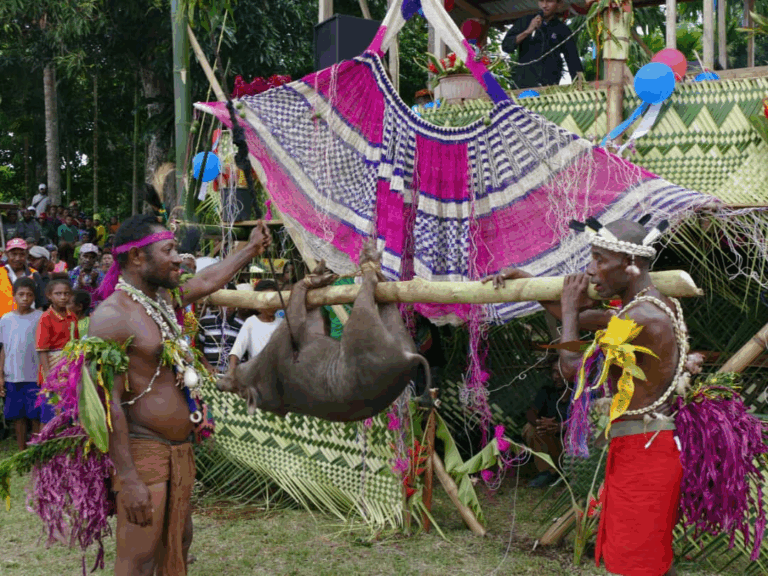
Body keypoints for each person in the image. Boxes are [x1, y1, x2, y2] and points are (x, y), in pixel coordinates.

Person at [485, 217, 683, 576]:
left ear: (629, 264)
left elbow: (571, 368)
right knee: (635, 554)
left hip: (645, 453)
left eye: (599, 259)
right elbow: (578, 317)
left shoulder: (641, 315)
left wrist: (572, 311)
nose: (591, 270)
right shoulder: (644, 305)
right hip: (642, 447)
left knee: (636, 562)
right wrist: (528, 281)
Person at [88, 214, 271, 575]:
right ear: (138, 257)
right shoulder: (112, 316)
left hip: (179, 450)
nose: (178, 258)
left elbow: (206, 278)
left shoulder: (162, 301)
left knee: (178, 541)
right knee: (138, 555)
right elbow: (107, 406)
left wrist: (250, 248)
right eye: (169, 250)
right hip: (144, 453)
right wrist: (128, 478)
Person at [0, 277, 44, 450]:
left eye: (29, 295)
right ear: (14, 296)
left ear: (34, 297)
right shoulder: (5, 319)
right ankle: (21, 450)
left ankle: (35, 449)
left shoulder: (40, 317)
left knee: (35, 415)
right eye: (21, 294)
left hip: (34, 375)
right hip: (13, 375)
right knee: (18, 416)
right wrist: (1, 376)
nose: (25, 298)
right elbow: (3, 348)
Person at [502, 0, 583, 89]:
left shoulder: (563, 30)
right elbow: (506, 46)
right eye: (541, 1)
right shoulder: (525, 21)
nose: (544, 5)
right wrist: (528, 31)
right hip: (522, 85)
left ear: (559, 5)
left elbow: (573, 60)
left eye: (549, 1)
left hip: (549, 86)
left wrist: (579, 85)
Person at [36, 278, 79, 424]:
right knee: (50, 412)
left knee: (68, 410)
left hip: (69, 369)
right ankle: (44, 442)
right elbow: (42, 350)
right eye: (58, 294)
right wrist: (49, 377)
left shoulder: (72, 316)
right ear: (49, 295)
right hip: (53, 368)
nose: (63, 297)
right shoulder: (46, 318)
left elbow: (76, 343)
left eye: (66, 294)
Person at [522, 357, 569, 487]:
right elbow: (531, 413)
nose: (556, 376)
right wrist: (541, 424)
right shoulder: (547, 391)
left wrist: (561, 427)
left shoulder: (580, 393)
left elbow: (587, 420)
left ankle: (571, 474)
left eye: (560, 371)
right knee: (529, 429)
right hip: (552, 445)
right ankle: (547, 472)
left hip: (573, 448)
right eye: (554, 372)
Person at [226, 280, 283, 376]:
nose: (271, 305)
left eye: (273, 301)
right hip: (257, 376)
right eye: (266, 301)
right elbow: (236, 352)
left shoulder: (281, 323)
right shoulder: (251, 322)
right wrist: (231, 372)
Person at [197, 284, 254, 372]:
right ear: (218, 303)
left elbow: (245, 354)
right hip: (210, 374)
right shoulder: (205, 321)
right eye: (224, 302)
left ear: (236, 305)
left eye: (231, 303)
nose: (228, 307)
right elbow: (199, 348)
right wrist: (207, 365)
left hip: (232, 375)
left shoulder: (242, 325)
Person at [0, 238, 43, 314]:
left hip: (29, 321)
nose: (17, 258)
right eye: (14, 254)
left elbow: (40, 303)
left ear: (26, 254)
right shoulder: (1, 273)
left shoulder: (34, 274)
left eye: (21, 254)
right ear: (6, 254)